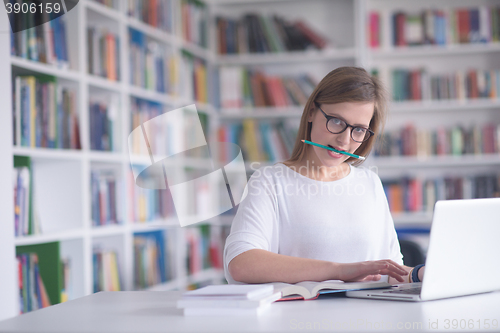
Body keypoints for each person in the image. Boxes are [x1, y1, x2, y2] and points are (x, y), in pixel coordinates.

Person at [223, 66, 425, 285]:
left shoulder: (370, 182)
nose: (344, 141)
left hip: (367, 317)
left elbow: (391, 270)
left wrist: (421, 274)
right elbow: (241, 264)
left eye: (358, 130)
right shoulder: (269, 181)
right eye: (337, 121)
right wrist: (338, 271)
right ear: (311, 112)